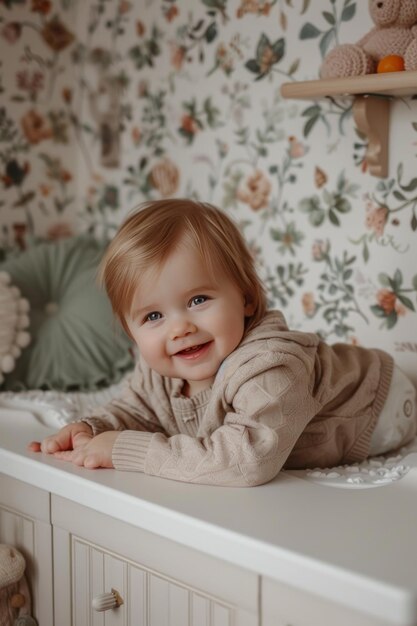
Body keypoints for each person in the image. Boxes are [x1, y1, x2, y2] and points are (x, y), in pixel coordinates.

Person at [28, 199, 417, 487]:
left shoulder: (268, 367)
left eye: (198, 300)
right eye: (153, 317)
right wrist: (91, 430)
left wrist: (129, 451)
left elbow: (247, 460)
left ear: (246, 298)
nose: (178, 329)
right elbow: (136, 411)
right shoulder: (159, 371)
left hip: (380, 403)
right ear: (131, 332)